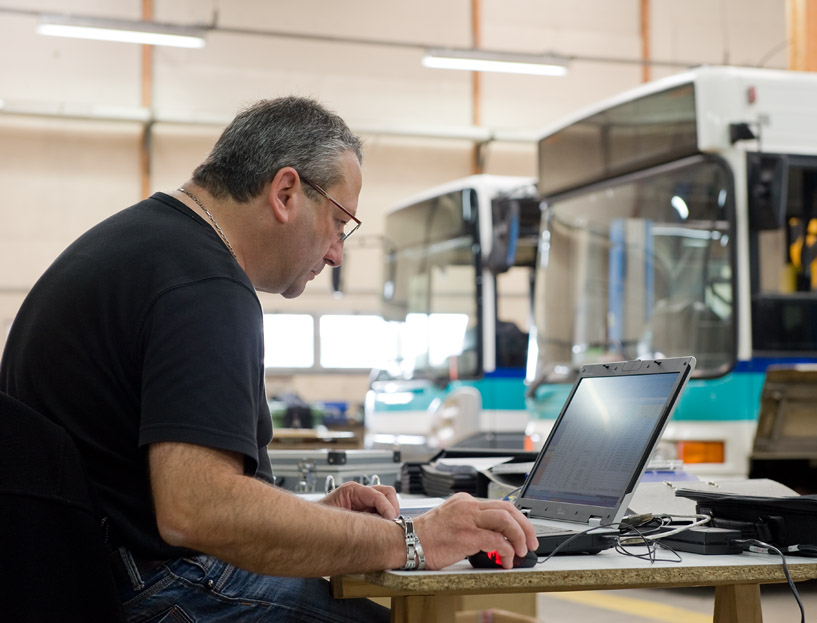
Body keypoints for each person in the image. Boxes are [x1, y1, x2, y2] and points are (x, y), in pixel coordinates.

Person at [0, 96, 538, 622]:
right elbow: (198, 511)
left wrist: (310, 522)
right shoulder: (206, 285)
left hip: (81, 573)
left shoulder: (140, 248)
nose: (335, 252)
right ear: (285, 193)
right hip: (152, 588)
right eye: (339, 222)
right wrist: (415, 538)